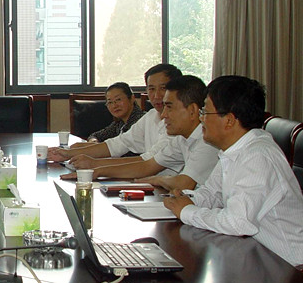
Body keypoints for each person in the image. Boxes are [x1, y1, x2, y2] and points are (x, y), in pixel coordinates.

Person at [164, 76, 303, 268]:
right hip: (259, 256)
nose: (201, 118)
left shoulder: (257, 156)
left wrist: (187, 211)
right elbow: (212, 193)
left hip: (291, 268)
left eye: (205, 112)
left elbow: (239, 223)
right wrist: (184, 199)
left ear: (229, 120)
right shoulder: (235, 150)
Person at [64, 75, 220, 191]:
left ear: (192, 110)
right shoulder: (180, 139)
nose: (164, 114)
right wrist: (97, 171)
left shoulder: (208, 141)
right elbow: (147, 165)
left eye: (169, 107)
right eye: (151, 89)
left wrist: (158, 180)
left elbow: (184, 183)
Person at [49, 64, 182, 169]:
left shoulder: (179, 124)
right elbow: (118, 144)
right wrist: (67, 153)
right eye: (151, 89)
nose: (157, 95)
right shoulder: (151, 116)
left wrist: (95, 164)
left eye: (163, 88)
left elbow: (148, 162)